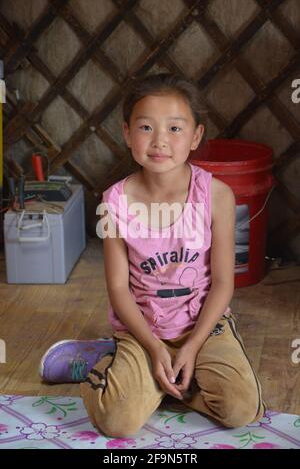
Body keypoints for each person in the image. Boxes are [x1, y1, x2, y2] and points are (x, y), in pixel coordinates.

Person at [40, 73, 265, 437]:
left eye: (175, 129)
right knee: (118, 422)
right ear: (128, 133)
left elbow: (223, 283)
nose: (160, 141)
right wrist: (154, 347)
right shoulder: (114, 204)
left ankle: (161, 385)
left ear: (195, 137)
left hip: (205, 328)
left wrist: (191, 347)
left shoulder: (216, 196)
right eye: (146, 127)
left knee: (241, 409)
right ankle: (103, 362)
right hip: (142, 329)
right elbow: (118, 289)